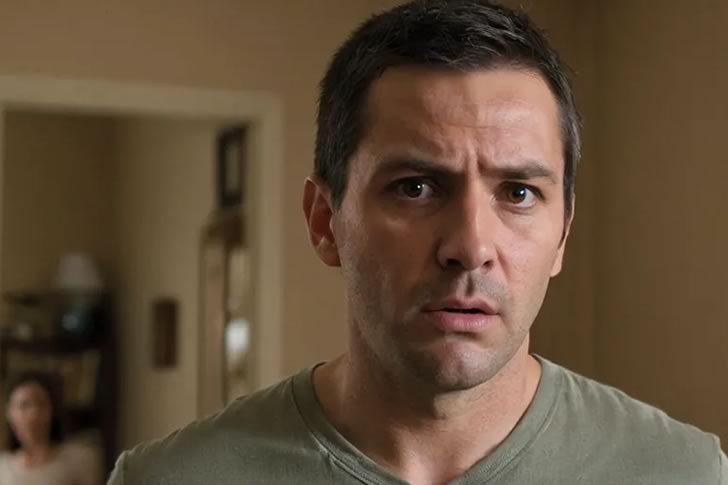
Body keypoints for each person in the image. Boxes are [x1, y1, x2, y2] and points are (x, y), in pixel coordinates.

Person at [108, 1, 727, 483]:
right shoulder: (170, 479)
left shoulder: (685, 474)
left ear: (562, 232)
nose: (470, 246)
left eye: (518, 193)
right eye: (416, 187)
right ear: (325, 221)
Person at [1, 371, 103, 485]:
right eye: (24, 405)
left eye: (41, 404)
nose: (34, 414)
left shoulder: (80, 460)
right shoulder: (3, 467)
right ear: (9, 413)